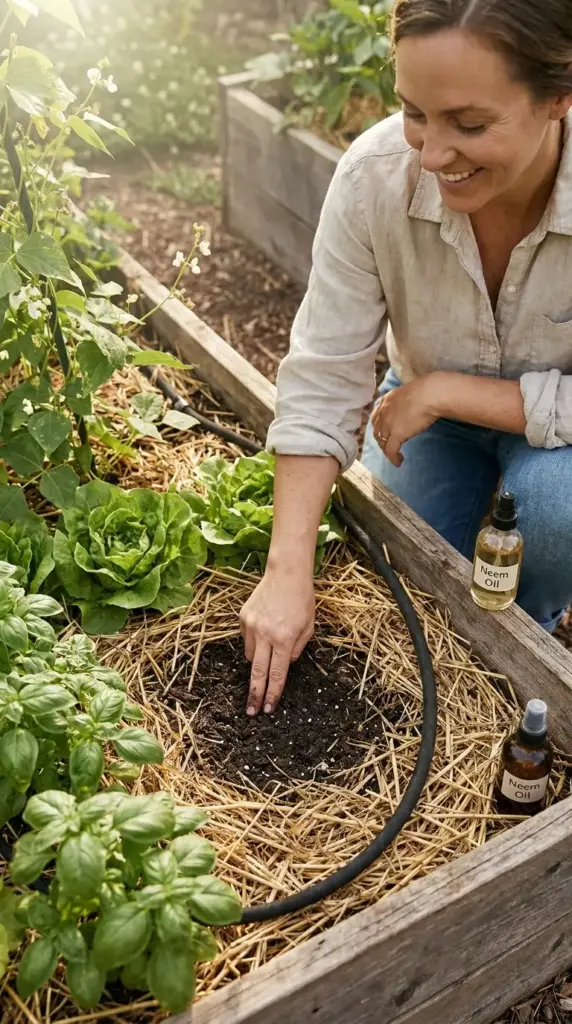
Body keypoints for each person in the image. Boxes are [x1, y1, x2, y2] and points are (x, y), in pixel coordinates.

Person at [239, 0, 572, 716]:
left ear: (559, 97)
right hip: (422, 414)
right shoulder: (373, 179)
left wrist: (451, 389)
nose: (429, 156)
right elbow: (326, 372)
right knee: (410, 578)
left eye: (469, 124)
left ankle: (529, 649)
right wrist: (286, 570)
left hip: (552, 435)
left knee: (555, 515)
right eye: (414, 112)